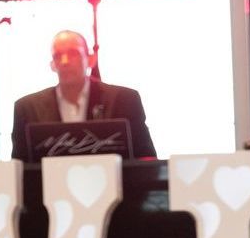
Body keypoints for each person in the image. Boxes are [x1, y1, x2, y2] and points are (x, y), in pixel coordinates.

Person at [9, 30, 156, 161]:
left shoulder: (124, 100)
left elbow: (146, 159)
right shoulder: (27, 108)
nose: (65, 61)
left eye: (73, 53)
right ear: (52, 65)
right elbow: (19, 170)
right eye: (58, 56)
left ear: (91, 60)